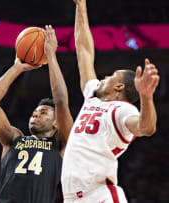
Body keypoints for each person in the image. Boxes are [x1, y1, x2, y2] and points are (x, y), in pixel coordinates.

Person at [61, 0, 160, 202]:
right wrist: (81, 7)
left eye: (112, 75)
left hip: (100, 196)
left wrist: (146, 98)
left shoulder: (122, 110)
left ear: (119, 87)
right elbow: (84, 51)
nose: (105, 76)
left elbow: (145, 128)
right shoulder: (92, 95)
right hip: (72, 197)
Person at [0, 25, 73, 203]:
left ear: (56, 124)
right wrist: (17, 68)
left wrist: (51, 56)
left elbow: (61, 100)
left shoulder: (60, 145)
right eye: (35, 113)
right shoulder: (14, 138)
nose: (35, 115)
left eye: (44, 112)